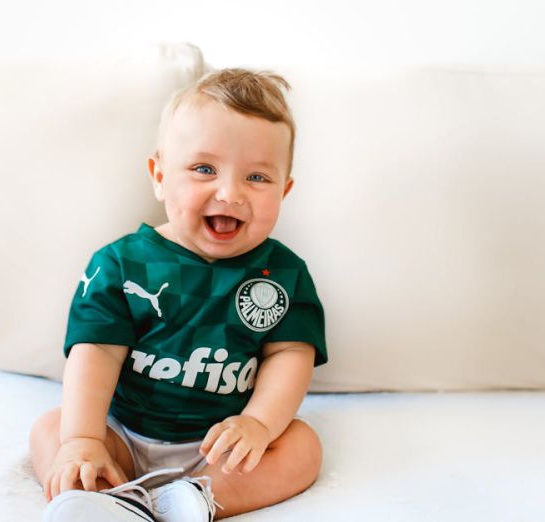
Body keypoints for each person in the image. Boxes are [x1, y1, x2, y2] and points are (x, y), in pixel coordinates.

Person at [30, 68, 328, 521]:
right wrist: (85, 441)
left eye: (258, 178)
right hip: (124, 435)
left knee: (302, 447)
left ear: (284, 190)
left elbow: (290, 354)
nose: (230, 193)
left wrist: (259, 424)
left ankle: (193, 501)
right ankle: (107, 496)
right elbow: (96, 354)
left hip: (221, 452)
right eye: (204, 169)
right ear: (159, 175)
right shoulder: (122, 264)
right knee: (52, 431)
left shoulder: (283, 273)